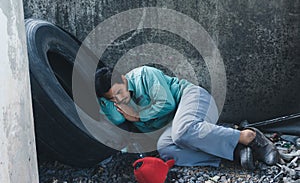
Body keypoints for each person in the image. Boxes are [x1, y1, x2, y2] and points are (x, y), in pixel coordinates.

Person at [95, 66, 279, 169]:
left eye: (119, 91)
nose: (119, 99)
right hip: (178, 126)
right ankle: (234, 153)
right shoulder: (117, 103)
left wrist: (139, 115)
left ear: (124, 79)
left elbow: (167, 103)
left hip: (194, 99)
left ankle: (249, 136)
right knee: (165, 149)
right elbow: (117, 119)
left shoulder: (144, 75)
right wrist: (105, 101)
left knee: (181, 131)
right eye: (112, 98)